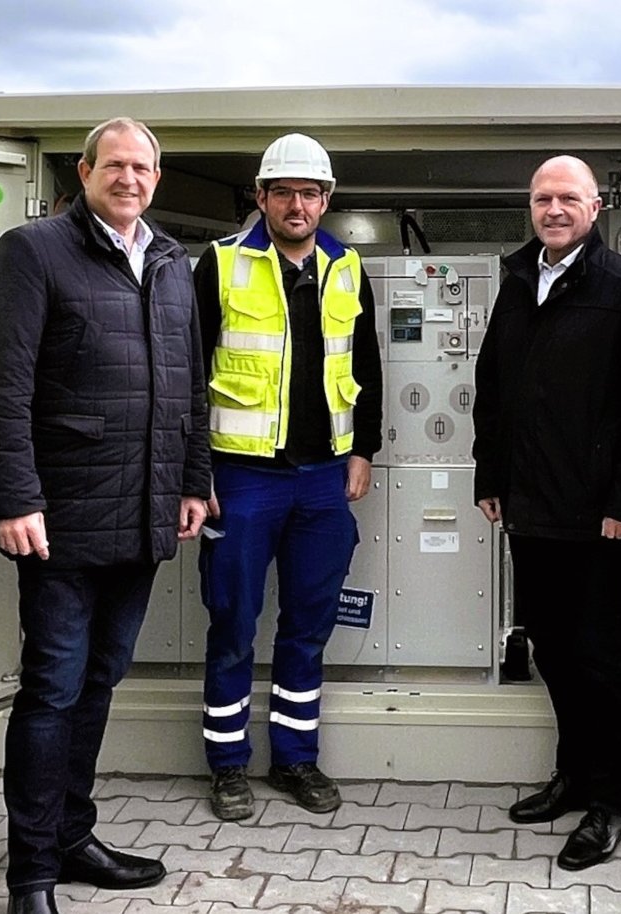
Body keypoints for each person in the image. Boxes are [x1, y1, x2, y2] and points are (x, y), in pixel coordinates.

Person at [0, 116, 212, 914]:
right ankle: (31, 874)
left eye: (142, 167)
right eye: (115, 165)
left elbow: (189, 386)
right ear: (84, 171)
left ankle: (73, 837)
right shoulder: (33, 252)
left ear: (156, 177)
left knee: (100, 681)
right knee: (53, 689)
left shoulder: (170, 261)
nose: (129, 178)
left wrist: (192, 482)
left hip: (142, 516)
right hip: (61, 520)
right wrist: (14, 498)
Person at [470, 154, 621, 871]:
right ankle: (575, 775)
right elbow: (494, 387)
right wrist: (490, 475)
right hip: (529, 506)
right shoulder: (517, 280)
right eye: (541, 199)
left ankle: (611, 799)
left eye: (567, 198)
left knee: (599, 655)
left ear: (596, 208)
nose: (553, 210)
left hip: (596, 516)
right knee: (553, 648)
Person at [191, 133, 383, 821]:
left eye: (308, 193)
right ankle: (227, 766)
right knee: (233, 624)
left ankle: (295, 758)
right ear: (261, 197)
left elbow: (365, 362)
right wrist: (195, 473)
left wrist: (363, 450)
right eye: (283, 193)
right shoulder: (219, 263)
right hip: (242, 477)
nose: (296, 205)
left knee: (308, 626)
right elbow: (188, 371)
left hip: (323, 477)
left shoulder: (346, 266)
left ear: (325, 200)